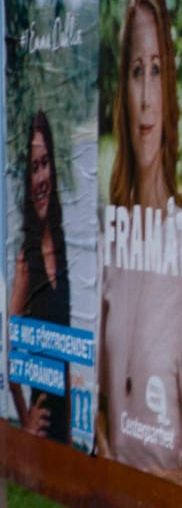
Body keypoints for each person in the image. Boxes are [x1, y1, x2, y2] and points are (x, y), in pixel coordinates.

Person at [95, 0, 182, 484]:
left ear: (170, 87)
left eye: (157, 71)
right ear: (122, 86)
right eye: (136, 71)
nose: (145, 97)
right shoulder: (109, 234)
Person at [8, 112, 72, 444]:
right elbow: (7, 356)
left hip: (68, 430)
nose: (41, 176)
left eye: (45, 163)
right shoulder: (26, 261)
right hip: (43, 429)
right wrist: (25, 422)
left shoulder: (63, 247)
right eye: (33, 168)